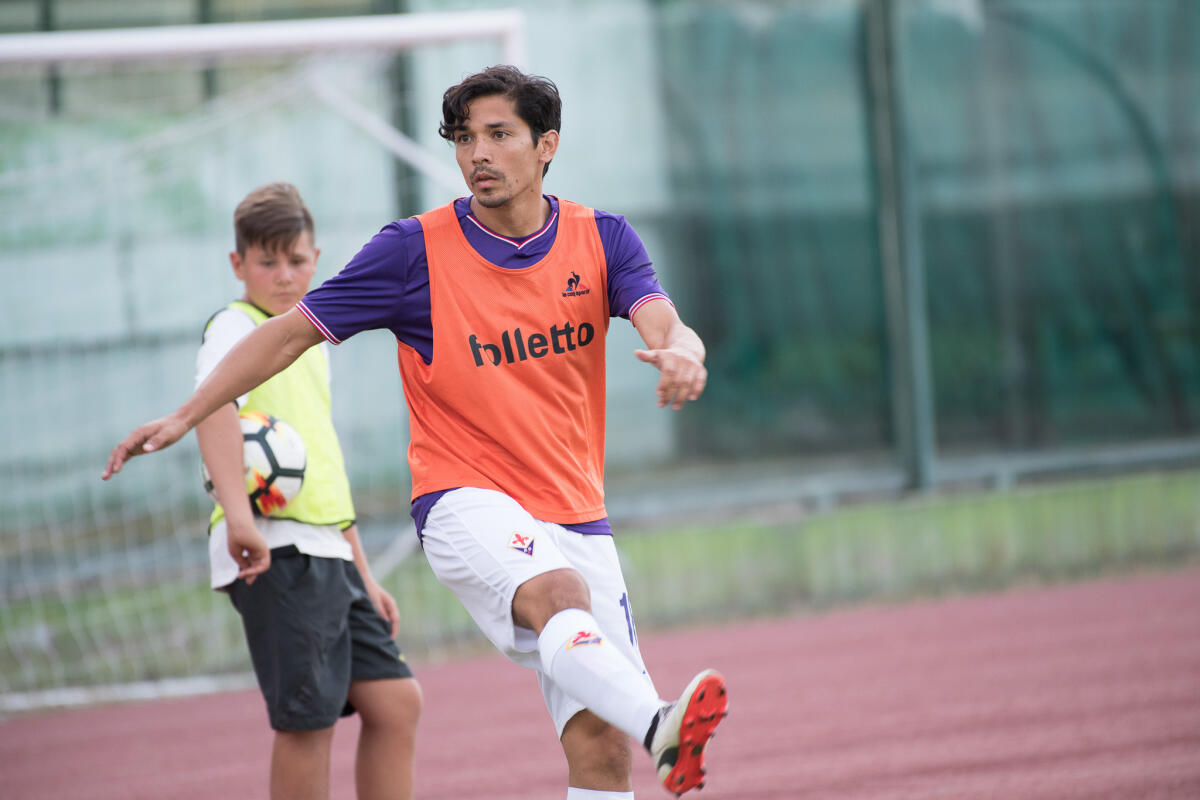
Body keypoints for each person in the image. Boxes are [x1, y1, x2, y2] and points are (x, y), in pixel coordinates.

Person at [104, 67, 726, 799]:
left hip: (579, 514)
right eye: (466, 139)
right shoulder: (412, 252)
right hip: (464, 499)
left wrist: (684, 351)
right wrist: (187, 412)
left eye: (498, 135)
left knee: (599, 748)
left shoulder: (603, 238)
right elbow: (286, 336)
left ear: (546, 144)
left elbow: (663, 319)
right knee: (558, 596)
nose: (477, 155)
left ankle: (646, 731)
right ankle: (661, 725)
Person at [191, 182, 421, 800]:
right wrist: (237, 517)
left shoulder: (308, 340)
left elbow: (321, 469)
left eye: (296, 261)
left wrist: (364, 573)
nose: (285, 275)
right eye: (268, 262)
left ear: (316, 260)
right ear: (238, 265)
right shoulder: (234, 328)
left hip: (330, 552)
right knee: (308, 720)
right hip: (277, 549)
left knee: (396, 701)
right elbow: (212, 412)